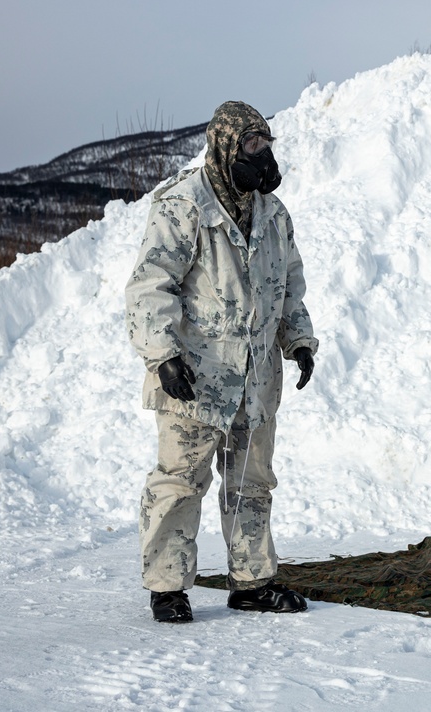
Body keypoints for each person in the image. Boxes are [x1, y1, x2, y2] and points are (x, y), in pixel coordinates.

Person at [125, 101, 318, 623]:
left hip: (255, 379)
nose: (263, 157)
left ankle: (251, 582)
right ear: (227, 146)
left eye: (267, 145)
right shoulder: (183, 205)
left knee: (251, 482)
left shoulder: (273, 214)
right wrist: (162, 355)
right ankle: (168, 587)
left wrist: (298, 339)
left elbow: (288, 287)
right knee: (181, 480)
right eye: (252, 146)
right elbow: (150, 286)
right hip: (195, 378)